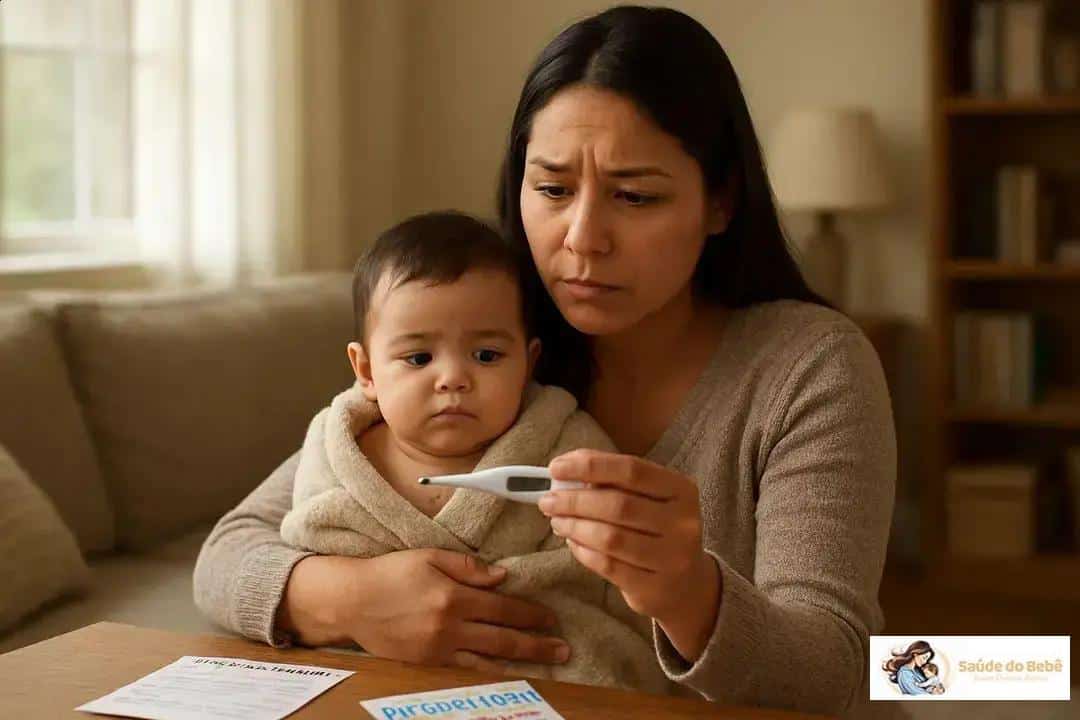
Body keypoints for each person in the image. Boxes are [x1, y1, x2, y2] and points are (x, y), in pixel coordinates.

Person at [194, 6, 895, 718]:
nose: (584, 239)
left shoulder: (809, 368)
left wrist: (689, 593)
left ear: (721, 202)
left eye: (635, 196)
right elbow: (226, 555)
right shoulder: (477, 342)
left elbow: (840, 671)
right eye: (553, 189)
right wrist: (347, 600)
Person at [280, 210, 668, 693]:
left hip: (535, 676)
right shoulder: (336, 449)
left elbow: (601, 581)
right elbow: (305, 536)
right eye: (419, 358)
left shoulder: (565, 444)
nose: (453, 378)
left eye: (486, 356)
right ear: (366, 371)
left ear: (528, 363)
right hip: (375, 675)